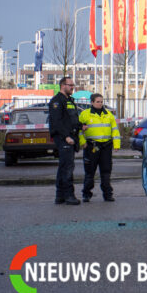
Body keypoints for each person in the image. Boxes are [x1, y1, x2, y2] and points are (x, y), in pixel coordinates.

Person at [78, 93, 120, 202]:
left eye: (101, 102)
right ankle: (86, 194)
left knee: (106, 171)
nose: (100, 104)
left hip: (106, 146)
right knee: (90, 172)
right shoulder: (85, 114)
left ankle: (108, 194)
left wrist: (116, 144)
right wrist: (83, 142)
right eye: (98, 102)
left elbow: (115, 130)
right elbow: (79, 130)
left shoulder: (108, 115)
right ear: (92, 102)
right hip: (91, 146)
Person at [49, 76, 81, 205]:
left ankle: (60, 196)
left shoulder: (69, 100)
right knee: (67, 167)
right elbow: (57, 122)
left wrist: (80, 126)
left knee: (64, 167)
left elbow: (71, 119)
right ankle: (69, 195)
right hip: (64, 139)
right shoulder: (57, 101)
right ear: (63, 85)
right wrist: (66, 136)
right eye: (70, 85)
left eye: (73, 85)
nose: (72, 87)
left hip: (71, 137)